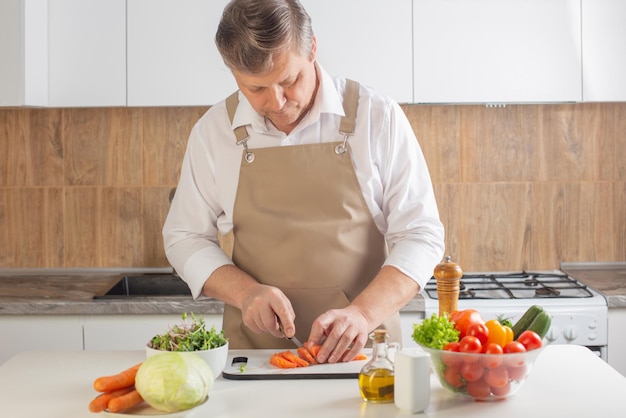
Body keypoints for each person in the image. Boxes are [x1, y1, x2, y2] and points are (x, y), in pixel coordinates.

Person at [163, 0, 444, 364]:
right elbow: (184, 237)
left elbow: (421, 234)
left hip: (365, 358)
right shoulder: (214, 132)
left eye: (289, 80)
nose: (277, 102)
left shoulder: (378, 117)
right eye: (255, 89)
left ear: (312, 49)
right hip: (256, 357)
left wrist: (362, 314)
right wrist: (246, 293)